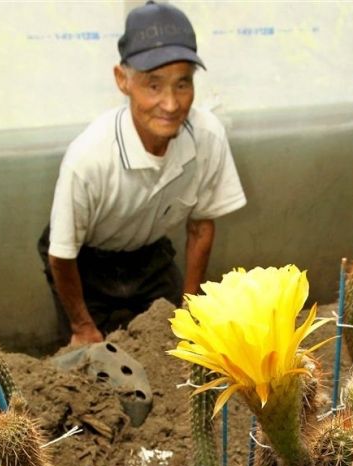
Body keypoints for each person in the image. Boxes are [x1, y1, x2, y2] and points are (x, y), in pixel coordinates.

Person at [38, 0, 246, 345]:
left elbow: (200, 227)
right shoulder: (89, 158)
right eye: (154, 85)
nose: (171, 103)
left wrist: (189, 311)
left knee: (170, 345)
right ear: (123, 80)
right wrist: (82, 327)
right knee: (93, 359)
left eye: (182, 84)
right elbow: (61, 254)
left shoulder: (207, 137)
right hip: (86, 260)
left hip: (149, 255)